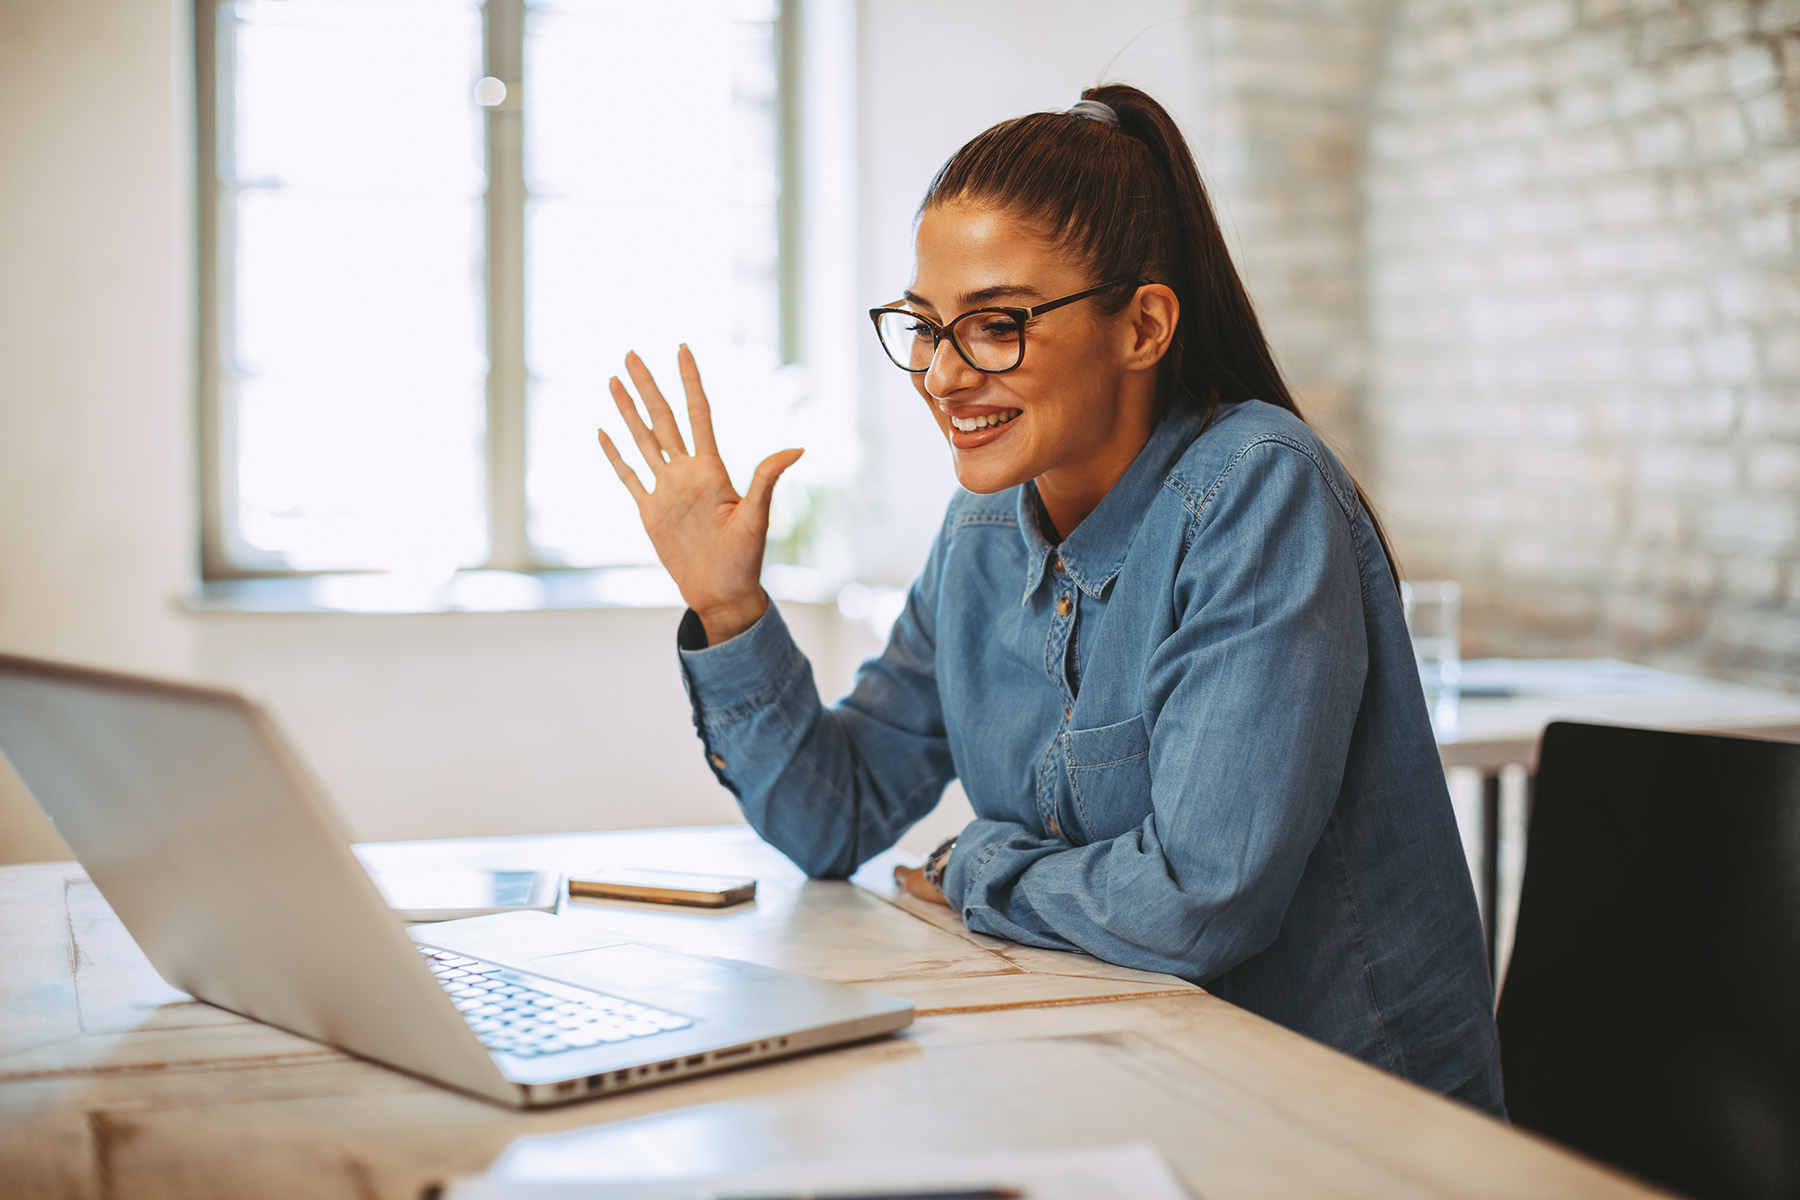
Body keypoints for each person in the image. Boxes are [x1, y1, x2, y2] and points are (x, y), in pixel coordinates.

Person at [596, 84, 1505, 1116]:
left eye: (994, 325)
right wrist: (729, 610)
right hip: (1116, 1077)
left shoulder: (1256, 488)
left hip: (1335, 1121)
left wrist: (982, 862)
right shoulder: (982, 531)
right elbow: (834, 817)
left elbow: (1199, 904)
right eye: (925, 328)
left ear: (1143, 326)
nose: (942, 374)